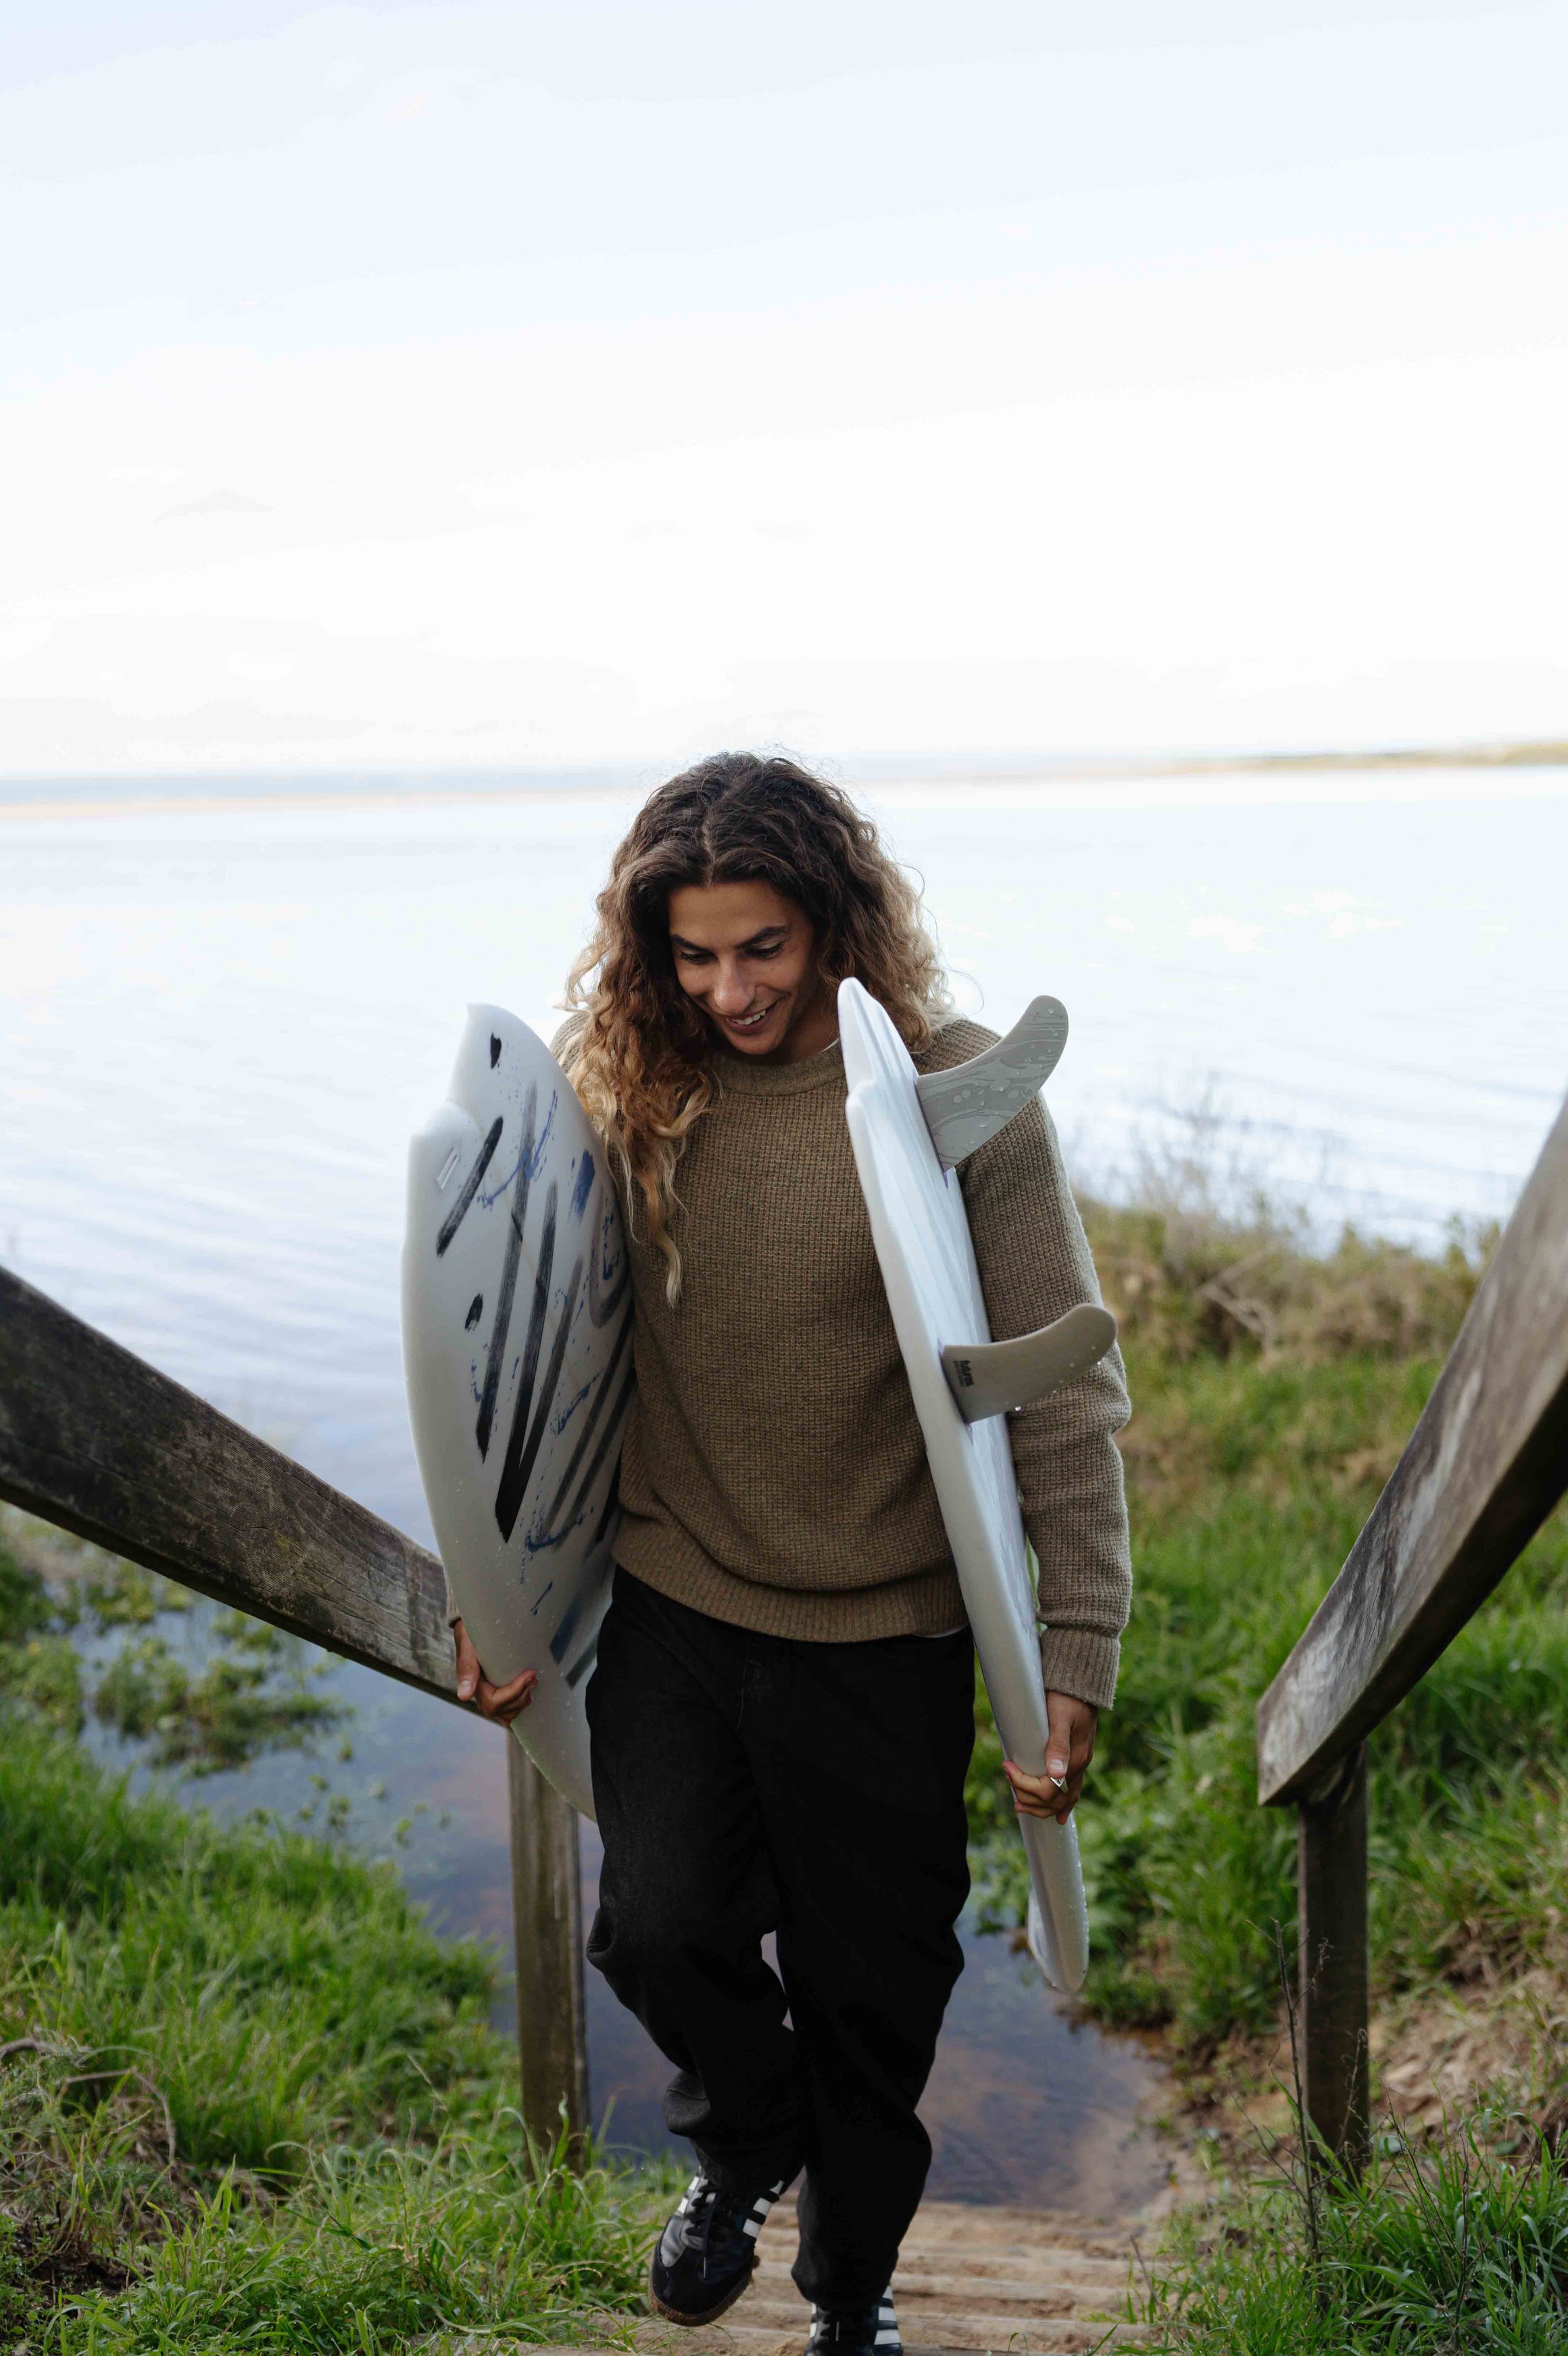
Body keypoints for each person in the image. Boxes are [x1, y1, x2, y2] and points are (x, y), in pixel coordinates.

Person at [451, 754, 1130, 2353]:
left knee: (871, 2002)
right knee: (660, 1928)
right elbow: (520, 1363)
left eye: (758, 947)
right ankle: (746, 2141)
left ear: (833, 919)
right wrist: (491, 1594)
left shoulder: (958, 1102)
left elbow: (1057, 1387)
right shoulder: (627, 1092)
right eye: (689, 955)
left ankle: (854, 2292)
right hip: (683, 1595)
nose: (725, 989)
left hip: (892, 1628)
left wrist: (1075, 1654)